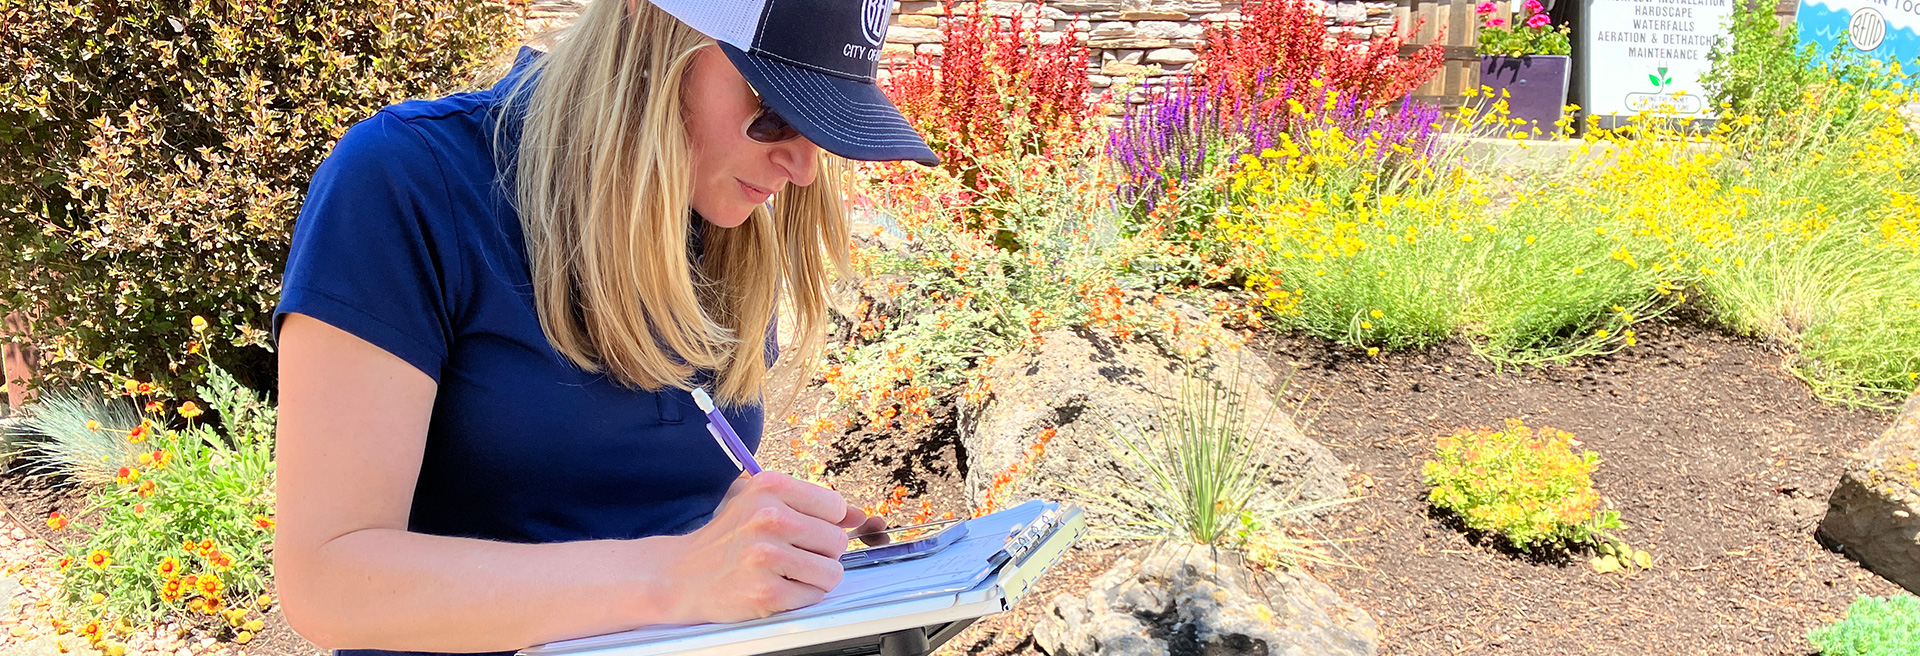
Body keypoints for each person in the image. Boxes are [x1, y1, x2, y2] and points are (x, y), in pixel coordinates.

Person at [270, 0, 939, 653]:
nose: (802, 166)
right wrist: (673, 576)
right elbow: (329, 582)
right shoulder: (410, 181)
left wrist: (762, 536)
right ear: (647, 24)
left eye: (821, 121)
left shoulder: (714, 213)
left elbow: (626, 485)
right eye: (770, 111)